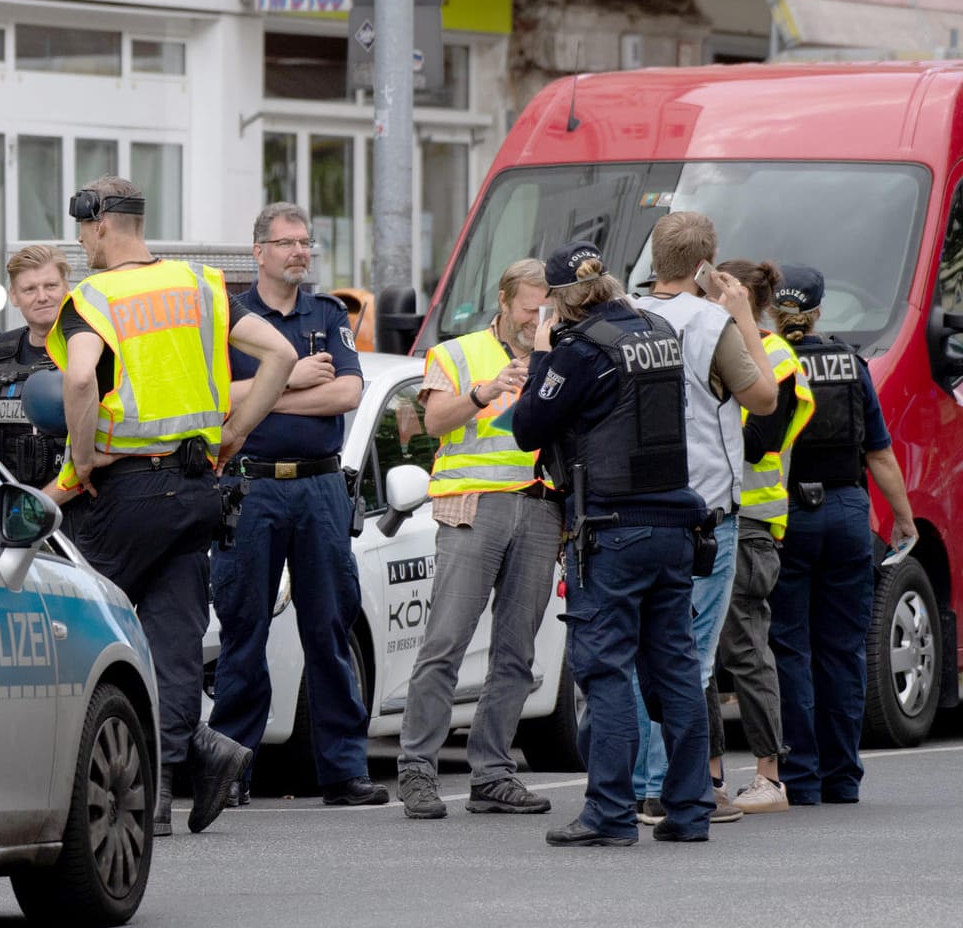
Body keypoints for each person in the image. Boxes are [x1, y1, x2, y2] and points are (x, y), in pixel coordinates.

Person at [45, 175, 297, 838]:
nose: (79, 245)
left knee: (76, 628)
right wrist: (237, 431)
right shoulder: (200, 285)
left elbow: (77, 379)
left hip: (126, 490)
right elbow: (281, 353)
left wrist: (81, 460)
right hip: (196, 490)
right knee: (173, 639)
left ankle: (167, 763)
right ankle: (169, 783)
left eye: (80, 230)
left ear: (99, 223)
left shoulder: (92, 297)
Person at [511, 240, 713, 846]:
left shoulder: (578, 350)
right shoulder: (656, 329)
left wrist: (545, 359)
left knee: (605, 671)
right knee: (676, 668)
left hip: (613, 531)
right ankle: (690, 810)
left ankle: (609, 812)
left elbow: (527, 429)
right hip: (676, 523)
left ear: (560, 301)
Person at [209, 203, 384, 809]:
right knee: (244, 628)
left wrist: (269, 393)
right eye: (286, 244)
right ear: (258, 252)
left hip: (319, 487)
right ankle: (230, 768)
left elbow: (350, 392)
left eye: (305, 243)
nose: (299, 253)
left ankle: (342, 770)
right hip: (249, 487)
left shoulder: (328, 314)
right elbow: (216, 401)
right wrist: (298, 379)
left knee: (331, 627)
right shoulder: (231, 318)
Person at [395, 258, 561, 820]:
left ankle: (492, 772)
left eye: (547, 309)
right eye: (528, 308)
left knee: (516, 652)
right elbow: (434, 422)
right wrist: (485, 390)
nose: (535, 319)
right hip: (472, 507)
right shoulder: (459, 352)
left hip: (539, 506)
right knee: (445, 643)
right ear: (503, 299)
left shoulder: (558, 352)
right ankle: (417, 769)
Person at [629, 213, 776, 825]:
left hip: (634, 504)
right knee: (689, 652)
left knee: (640, 649)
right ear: (703, 268)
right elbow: (764, 397)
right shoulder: (712, 321)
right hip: (706, 509)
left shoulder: (626, 318)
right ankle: (673, 785)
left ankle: (641, 782)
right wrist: (740, 311)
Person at [767, 264, 915, 806]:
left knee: (790, 647)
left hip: (790, 515)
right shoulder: (851, 364)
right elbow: (878, 452)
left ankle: (800, 778)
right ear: (820, 309)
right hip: (849, 512)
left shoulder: (769, 361)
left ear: (773, 312)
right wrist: (903, 518)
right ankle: (843, 777)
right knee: (843, 648)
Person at [712, 259, 814, 814]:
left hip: (752, 523)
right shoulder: (712, 347)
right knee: (700, 654)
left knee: (746, 650)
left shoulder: (775, 355)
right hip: (711, 515)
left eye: (722, 298)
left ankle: (770, 777)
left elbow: (759, 440)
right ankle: (711, 777)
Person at [0, 244, 71, 488]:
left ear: (66, 288)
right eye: (29, 289)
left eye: (51, 286)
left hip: (72, 503)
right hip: (10, 494)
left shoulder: (84, 349)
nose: (42, 297)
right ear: (14, 297)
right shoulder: (2, 349)